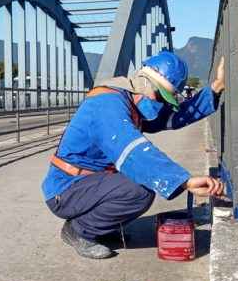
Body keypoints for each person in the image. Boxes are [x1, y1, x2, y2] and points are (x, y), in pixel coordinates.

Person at [41, 51, 225, 259]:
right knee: (139, 191)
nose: (160, 104)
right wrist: (184, 182)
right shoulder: (107, 104)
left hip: (88, 183)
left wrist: (216, 87)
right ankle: (79, 230)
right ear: (145, 81)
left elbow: (174, 117)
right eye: (160, 97)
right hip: (66, 190)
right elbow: (133, 150)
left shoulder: (130, 100)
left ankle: (101, 227)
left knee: (138, 185)